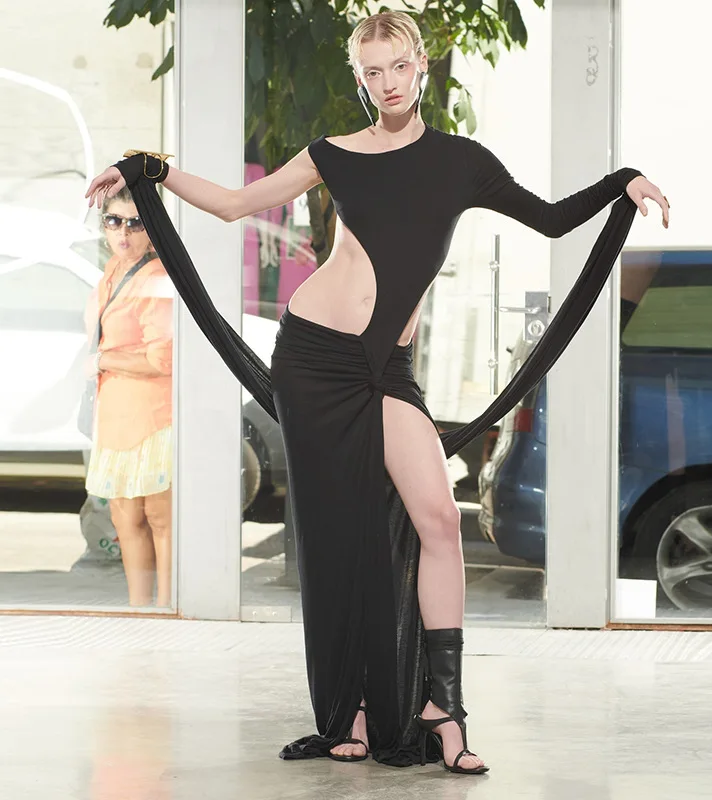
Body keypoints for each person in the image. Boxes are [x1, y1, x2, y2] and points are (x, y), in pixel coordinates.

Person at [86, 10, 668, 773]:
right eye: (372, 72)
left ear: (420, 65)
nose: (387, 83)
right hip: (313, 358)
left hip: (385, 368)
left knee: (439, 519)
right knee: (340, 536)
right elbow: (232, 205)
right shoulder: (334, 154)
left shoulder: (463, 162)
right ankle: (350, 710)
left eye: (398, 66)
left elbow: (555, 221)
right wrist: (149, 169)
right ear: (360, 79)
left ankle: (443, 708)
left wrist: (622, 182)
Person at [84, 188, 174, 607]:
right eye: (114, 221)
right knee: (125, 519)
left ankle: (168, 610)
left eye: (136, 223)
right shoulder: (111, 272)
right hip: (116, 416)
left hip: (153, 418)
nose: (124, 232)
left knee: (160, 518)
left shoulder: (155, 278)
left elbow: (161, 359)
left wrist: (103, 360)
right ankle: (140, 613)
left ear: (152, 229)